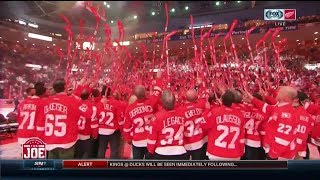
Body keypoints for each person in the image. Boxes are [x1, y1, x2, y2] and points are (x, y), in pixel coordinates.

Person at [244, 86, 299, 160]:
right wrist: (252, 98)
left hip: (280, 156)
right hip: (276, 153)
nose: (277, 93)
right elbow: (266, 107)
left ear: (286, 98)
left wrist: (272, 154)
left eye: (280, 92)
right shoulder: (280, 108)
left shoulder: (286, 114)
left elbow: (283, 139)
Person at [36, 78, 80, 159]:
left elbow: (40, 124)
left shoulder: (45, 102)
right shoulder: (72, 101)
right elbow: (76, 119)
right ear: (65, 87)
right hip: (67, 141)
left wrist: (41, 139)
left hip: (50, 141)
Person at [123, 72, 162, 159]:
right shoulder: (151, 101)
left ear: (135, 95)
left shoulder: (130, 109)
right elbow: (157, 91)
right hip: (150, 139)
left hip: (137, 141)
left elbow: (126, 127)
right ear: (145, 93)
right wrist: (158, 78)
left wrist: (128, 138)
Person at [200, 90, 246, 160]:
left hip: (215, 152)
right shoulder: (240, 115)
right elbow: (242, 136)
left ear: (221, 100)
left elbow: (203, 124)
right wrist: (241, 151)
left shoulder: (214, 112)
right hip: (234, 154)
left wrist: (206, 110)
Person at [147, 90, 188, 160]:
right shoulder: (183, 114)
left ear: (162, 102)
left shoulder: (156, 117)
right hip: (180, 152)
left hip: (161, 153)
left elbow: (152, 137)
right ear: (174, 102)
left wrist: (150, 151)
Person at [180, 89, 207, 160]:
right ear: (196, 97)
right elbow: (205, 98)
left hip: (186, 142)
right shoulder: (201, 105)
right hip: (199, 142)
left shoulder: (180, 110)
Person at [96, 89, 122, 159]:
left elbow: (96, 116)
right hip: (113, 130)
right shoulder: (116, 103)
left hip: (101, 129)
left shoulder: (99, 104)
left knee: (101, 149)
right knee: (114, 150)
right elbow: (119, 118)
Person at [74, 90, 98, 159]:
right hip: (86, 132)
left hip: (75, 132)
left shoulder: (75, 104)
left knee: (77, 152)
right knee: (85, 152)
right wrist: (95, 133)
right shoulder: (92, 107)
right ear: (89, 96)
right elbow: (93, 122)